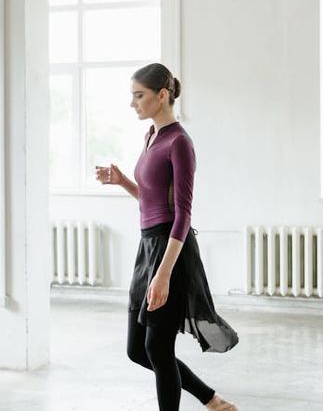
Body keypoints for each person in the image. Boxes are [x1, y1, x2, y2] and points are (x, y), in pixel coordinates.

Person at [95, 63, 240, 411]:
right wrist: (123, 182)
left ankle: (208, 401)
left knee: (158, 349)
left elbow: (183, 215)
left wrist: (163, 275)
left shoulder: (180, 143)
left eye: (139, 95)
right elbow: (153, 199)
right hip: (148, 248)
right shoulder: (151, 137)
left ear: (162, 96)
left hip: (170, 251)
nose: (133, 103)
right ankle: (211, 399)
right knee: (137, 350)